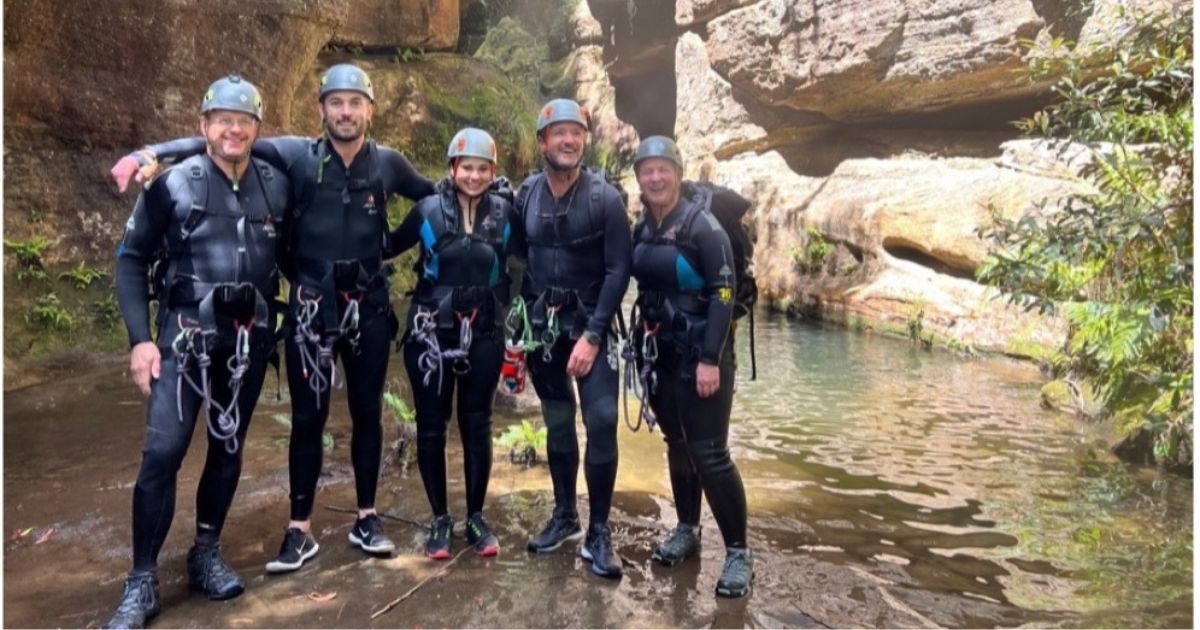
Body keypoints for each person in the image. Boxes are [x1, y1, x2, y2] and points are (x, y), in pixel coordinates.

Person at [110, 63, 436, 574]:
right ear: (321, 109)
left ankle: (366, 518)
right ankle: (298, 530)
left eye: (356, 102)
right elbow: (220, 144)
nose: (346, 111)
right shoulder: (294, 157)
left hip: (366, 308)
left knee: (365, 412)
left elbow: (433, 195)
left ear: (370, 110)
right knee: (302, 419)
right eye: (337, 102)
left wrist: (400, 243)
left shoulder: (387, 164)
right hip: (305, 312)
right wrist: (150, 154)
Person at [105, 75, 289, 629]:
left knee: (228, 447)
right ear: (204, 124)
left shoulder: (277, 186)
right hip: (185, 335)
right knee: (163, 453)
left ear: (258, 128)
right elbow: (131, 259)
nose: (234, 129)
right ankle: (141, 579)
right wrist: (140, 340)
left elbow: (298, 256)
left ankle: (205, 550)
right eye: (222, 119)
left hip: (248, 337)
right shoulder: (172, 186)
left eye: (245, 120)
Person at [626, 135, 753, 597]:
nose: (656, 177)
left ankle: (738, 552)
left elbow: (723, 291)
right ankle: (687, 529)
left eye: (664, 169)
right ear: (639, 177)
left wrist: (709, 360)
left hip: (704, 355)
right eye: (647, 170)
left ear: (678, 173)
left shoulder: (704, 228)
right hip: (660, 352)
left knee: (710, 452)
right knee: (677, 444)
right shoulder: (643, 225)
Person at [513, 99, 631, 578]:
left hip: (591, 328)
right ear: (542, 142)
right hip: (544, 334)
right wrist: (516, 338)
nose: (568, 140)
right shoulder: (526, 197)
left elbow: (619, 269)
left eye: (576, 133)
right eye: (558, 133)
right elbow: (521, 264)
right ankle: (565, 516)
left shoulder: (606, 199)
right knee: (558, 425)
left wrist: (594, 335)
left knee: (601, 421)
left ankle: (599, 531)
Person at [387, 128, 518, 559]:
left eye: (483, 169)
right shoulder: (426, 211)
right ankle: (440, 518)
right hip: (430, 334)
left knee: (477, 424)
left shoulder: (506, 214)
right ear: (452, 169)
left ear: (492, 172)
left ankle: (476, 517)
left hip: (484, 333)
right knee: (431, 425)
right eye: (467, 167)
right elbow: (385, 246)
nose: (474, 176)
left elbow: (528, 261)